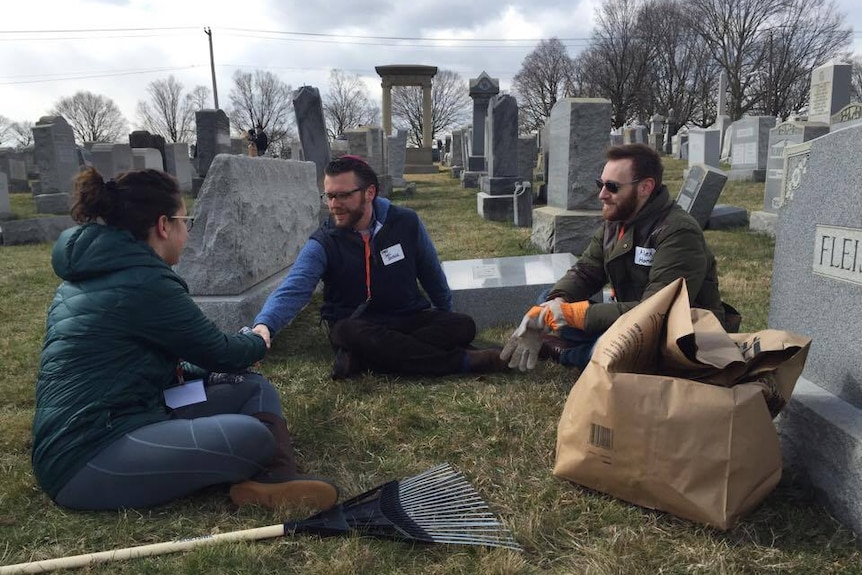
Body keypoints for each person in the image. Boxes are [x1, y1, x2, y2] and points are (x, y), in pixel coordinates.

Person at [32, 167, 338, 511]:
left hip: (140, 408)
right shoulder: (145, 283)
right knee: (251, 436)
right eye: (185, 221)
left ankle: (274, 481)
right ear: (163, 226)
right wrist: (258, 338)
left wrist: (214, 372)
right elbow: (221, 352)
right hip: (89, 455)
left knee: (253, 388)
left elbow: (158, 359)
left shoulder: (96, 274)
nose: (186, 232)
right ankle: (260, 467)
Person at [252, 155, 506, 379]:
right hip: (357, 323)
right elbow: (295, 287)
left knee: (464, 325)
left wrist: (444, 314)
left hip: (408, 316)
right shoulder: (324, 242)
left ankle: (364, 359)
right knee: (349, 332)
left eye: (343, 195)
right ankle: (465, 361)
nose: (333, 205)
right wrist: (265, 324)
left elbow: (431, 273)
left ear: (369, 192)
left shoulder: (406, 222)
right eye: (329, 196)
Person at [502, 143, 727, 371]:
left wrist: (575, 315)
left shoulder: (678, 232)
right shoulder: (617, 221)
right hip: (630, 319)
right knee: (548, 299)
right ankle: (588, 344)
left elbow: (658, 310)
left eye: (612, 186)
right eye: (601, 184)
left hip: (675, 332)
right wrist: (556, 302)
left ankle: (565, 352)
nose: (602, 194)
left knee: (611, 350)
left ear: (645, 188)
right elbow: (586, 271)